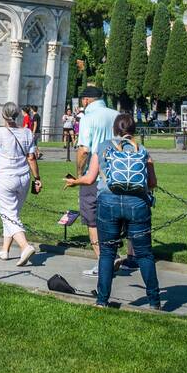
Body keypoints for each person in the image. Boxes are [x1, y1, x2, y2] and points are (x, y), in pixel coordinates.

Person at [66, 111, 161, 309]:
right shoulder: (141, 149)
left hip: (108, 203)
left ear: (114, 129)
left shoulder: (102, 147)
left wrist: (75, 181)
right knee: (144, 254)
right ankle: (154, 302)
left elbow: (91, 178)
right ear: (133, 131)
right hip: (137, 204)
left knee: (108, 253)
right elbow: (152, 182)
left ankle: (102, 300)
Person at [0, 101, 42, 265]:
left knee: (8, 214)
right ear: (17, 115)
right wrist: (37, 179)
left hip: (6, 178)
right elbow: (31, 158)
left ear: (3, 115)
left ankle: (25, 246)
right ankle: (5, 250)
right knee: (12, 214)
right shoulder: (27, 132)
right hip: (24, 178)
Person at [72, 86, 118, 273]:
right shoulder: (116, 114)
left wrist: (79, 173)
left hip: (95, 172)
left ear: (85, 100)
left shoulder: (88, 118)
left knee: (91, 217)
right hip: (116, 172)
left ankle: (103, 261)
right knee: (112, 216)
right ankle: (115, 254)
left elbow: (84, 150)